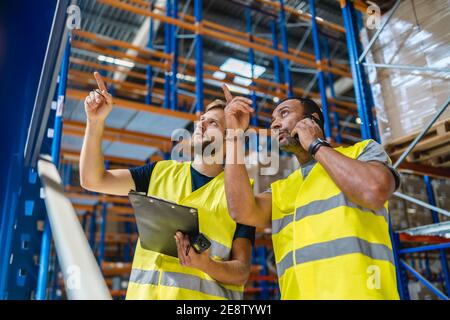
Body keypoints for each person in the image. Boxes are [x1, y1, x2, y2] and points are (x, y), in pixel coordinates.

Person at [79, 72, 255, 300]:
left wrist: (206, 264)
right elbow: (93, 180)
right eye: (201, 120)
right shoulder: (159, 172)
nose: (201, 124)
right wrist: (95, 122)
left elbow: (241, 272)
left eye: (213, 123)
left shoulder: (239, 194)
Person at [222, 84, 400, 300]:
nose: (275, 123)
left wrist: (316, 144)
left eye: (284, 113)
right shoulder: (283, 188)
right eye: (272, 121)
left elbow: (373, 191)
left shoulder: (361, 152)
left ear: (312, 119)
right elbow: (241, 211)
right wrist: (233, 135)